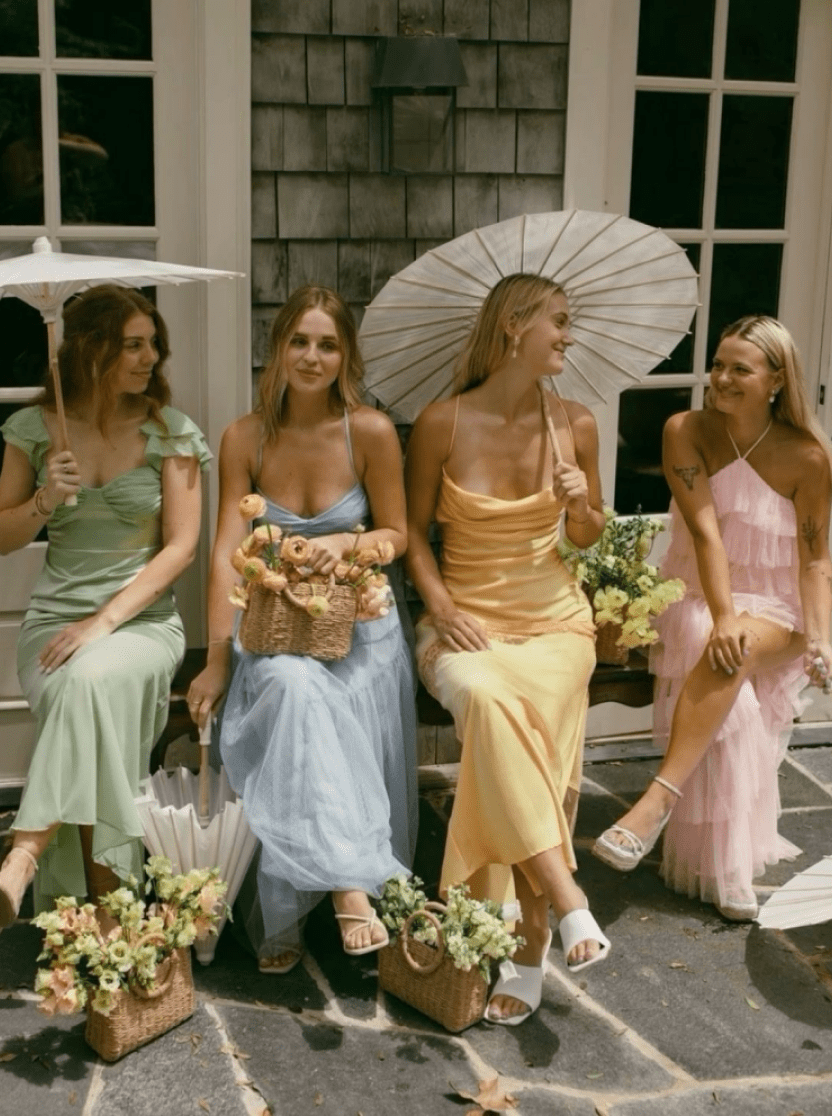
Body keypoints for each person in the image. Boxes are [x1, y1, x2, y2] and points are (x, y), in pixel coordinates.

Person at [187, 285, 417, 973]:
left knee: (311, 695)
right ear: (278, 346)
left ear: (346, 356)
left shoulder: (369, 431)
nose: (312, 357)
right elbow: (226, 553)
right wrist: (217, 658)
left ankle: (307, 900)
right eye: (299, 341)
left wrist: (347, 544)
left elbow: (398, 534)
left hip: (360, 631)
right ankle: (345, 889)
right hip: (275, 628)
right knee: (291, 686)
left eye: (328, 344)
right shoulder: (245, 437)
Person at [405, 273, 611, 1026]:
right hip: (465, 621)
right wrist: (442, 607)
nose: (568, 335)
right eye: (558, 320)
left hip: (558, 624)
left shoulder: (576, 423)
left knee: (527, 714)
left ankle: (532, 943)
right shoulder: (442, 423)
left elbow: (588, 536)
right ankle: (558, 908)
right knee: (491, 699)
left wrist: (579, 504)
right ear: (514, 326)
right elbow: (413, 538)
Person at [593, 316, 832, 921]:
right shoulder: (685, 431)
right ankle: (728, 867)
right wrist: (725, 615)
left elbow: (814, 561)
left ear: (776, 381)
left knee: (735, 644)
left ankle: (654, 805)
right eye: (718, 364)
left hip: (780, 610)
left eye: (739, 369)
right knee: (728, 669)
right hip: (700, 593)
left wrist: (821, 641)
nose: (721, 378)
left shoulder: (808, 457)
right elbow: (705, 534)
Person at [0, 285, 209, 926]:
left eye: (153, 344)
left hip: (142, 623)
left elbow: (181, 548)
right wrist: (42, 500)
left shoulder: (171, 433)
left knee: (88, 681)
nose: (151, 358)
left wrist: (104, 621)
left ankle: (24, 855)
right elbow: (1, 536)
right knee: (87, 696)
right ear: (91, 350)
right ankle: (110, 915)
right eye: (133, 346)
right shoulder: (35, 429)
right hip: (53, 626)